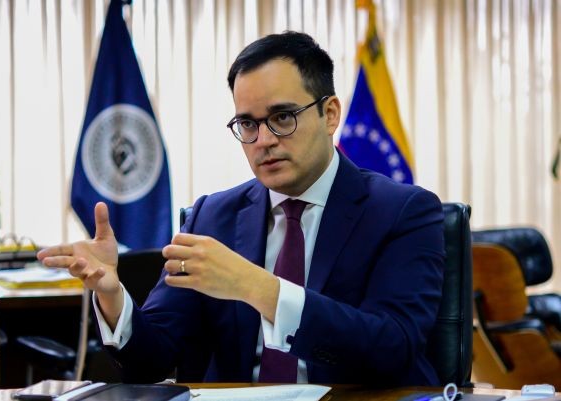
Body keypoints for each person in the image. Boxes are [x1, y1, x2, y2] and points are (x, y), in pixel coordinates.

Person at [38, 31, 445, 387]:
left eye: (282, 117)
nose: (263, 140)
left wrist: (259, 288)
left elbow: (395, 347)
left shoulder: (403, 211)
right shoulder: (212, 216)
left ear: (330, 114)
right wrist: (114, 297)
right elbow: (151, 360)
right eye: (247, 124)